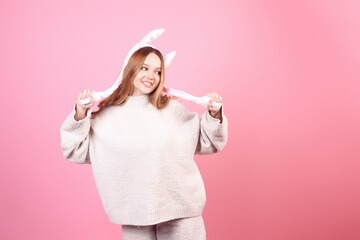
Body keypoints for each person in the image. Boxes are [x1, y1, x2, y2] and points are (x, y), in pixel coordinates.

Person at [60, 46, 228, 240]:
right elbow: (73, 150)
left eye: (158, 71)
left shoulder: (171, 109)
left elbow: (209, 142)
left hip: (182, 212)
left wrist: (214, 114)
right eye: (144, 68)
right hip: (134, 215)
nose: (151, 76)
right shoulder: (107, 118)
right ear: (130, 68)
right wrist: (81, 112)